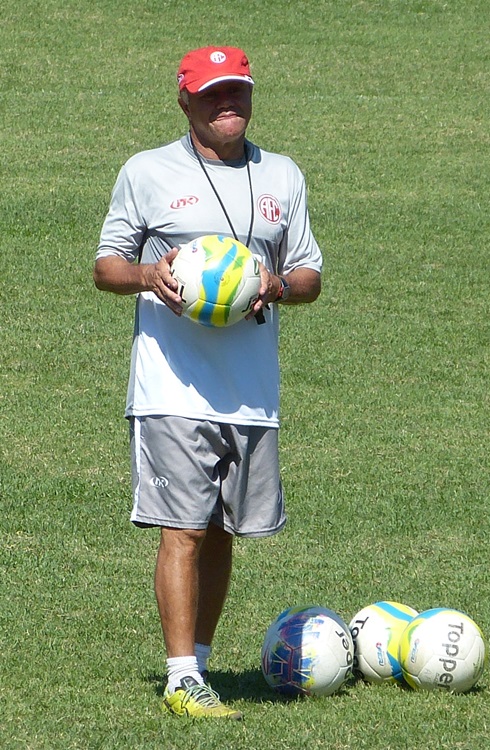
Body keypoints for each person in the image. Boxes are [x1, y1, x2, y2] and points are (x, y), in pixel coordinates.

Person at [93, 46, 323, 718]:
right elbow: (106, 266)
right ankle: (178, 675)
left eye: (238, 93)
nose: (229, 105)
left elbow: (309, 274)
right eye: (214, 94)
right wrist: (147, 276)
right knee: (182, 530)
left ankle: (200, 664)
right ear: (186, 100)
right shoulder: (147, 172)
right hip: (172, 387)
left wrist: (278, 285)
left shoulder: (282, 174)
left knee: (222, 530)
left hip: (251, 390)